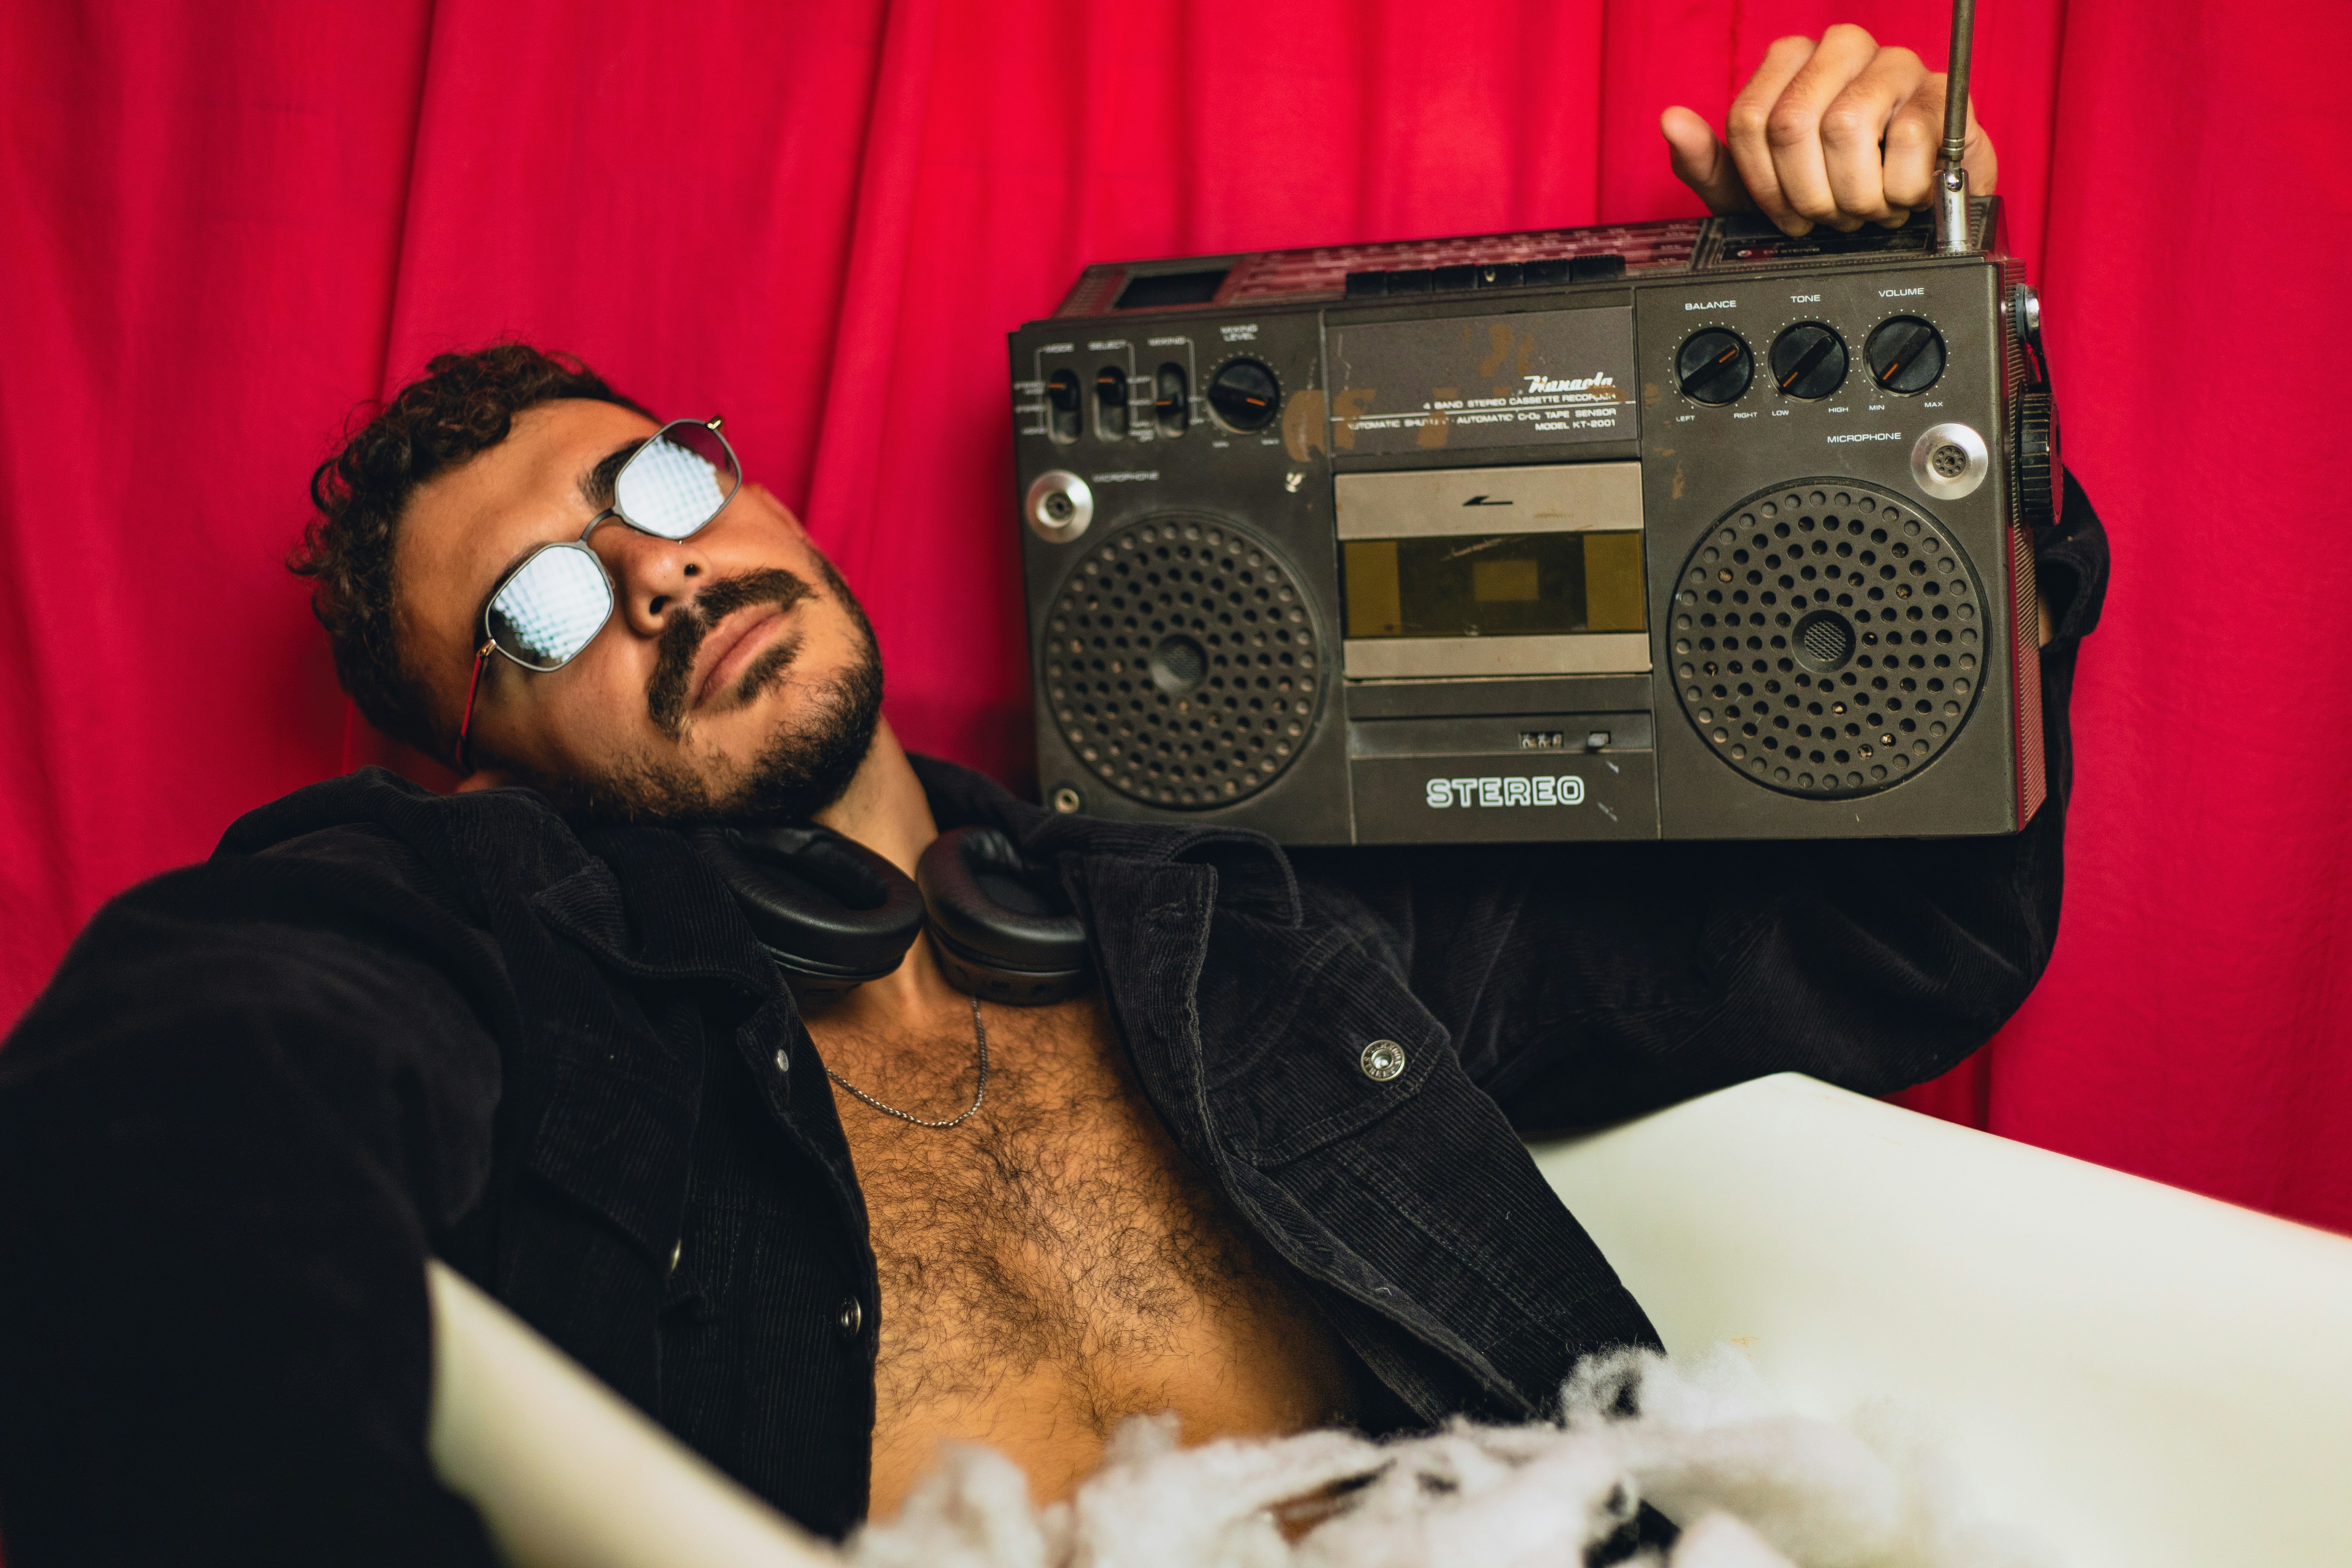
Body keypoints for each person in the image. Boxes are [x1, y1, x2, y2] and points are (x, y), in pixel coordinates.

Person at [0, 28, 2107, 1566]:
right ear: (470, 752)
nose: (655, 571)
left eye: (660, 483)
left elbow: (1895, 934)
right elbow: (183, 1107)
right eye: (540, 605)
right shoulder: (475, 952)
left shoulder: (1246, 910)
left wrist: (1863, 348)